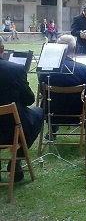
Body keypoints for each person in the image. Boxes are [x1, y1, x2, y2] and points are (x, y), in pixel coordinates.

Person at [0, 36, 44, 182]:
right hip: (11, 128)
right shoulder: (15, 69)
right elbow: (29, 100)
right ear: (2, 50)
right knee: (38, 113)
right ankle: (16, 159)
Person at [37, 35, 86, 134]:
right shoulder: (83, 69)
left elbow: (42, 91)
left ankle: (52, 130)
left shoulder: (46, 69)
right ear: (74, 49)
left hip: (51, 113)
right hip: (77, 112)